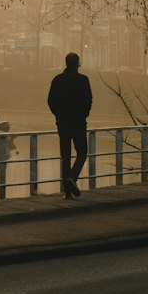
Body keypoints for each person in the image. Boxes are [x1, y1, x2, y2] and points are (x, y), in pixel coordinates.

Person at [47, 51, 93, 199]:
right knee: (82, 153)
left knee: (65, 156)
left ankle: (67, 192)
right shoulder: (83, 80)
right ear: (77, 64)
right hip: (78, 123)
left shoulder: (57, 80)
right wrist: (84, 114)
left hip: (62, 123)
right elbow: (88, 100)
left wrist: (58, 115)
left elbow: (51, 101)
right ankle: (72, 178)